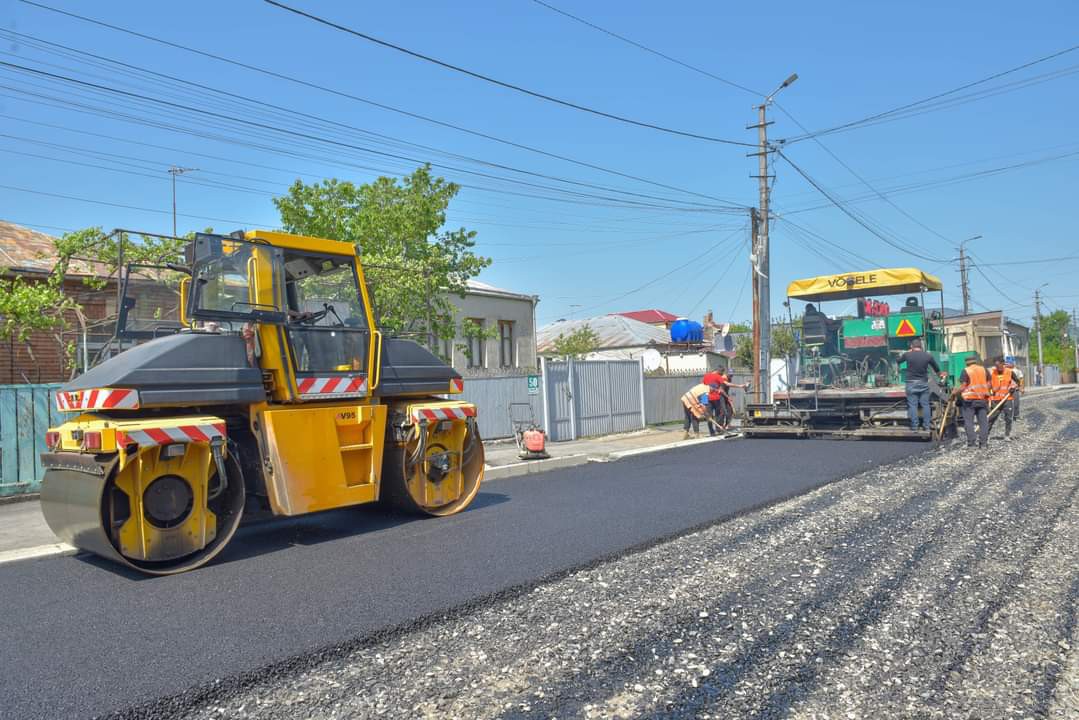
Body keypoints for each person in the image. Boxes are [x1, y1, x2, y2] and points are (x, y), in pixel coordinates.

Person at [898, 338, 946, 432]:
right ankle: (927, 427)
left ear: (912, 346)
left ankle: (915, 427)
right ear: (921, 347)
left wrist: (907, 352)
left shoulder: (908, 354)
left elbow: (898, 361)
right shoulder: (927, 356)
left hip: (911, 383)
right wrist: (940, 375)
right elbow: (937, 369)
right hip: (923, 383)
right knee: (925, 405)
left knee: (913, 405)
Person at [956, 354, 991, 449]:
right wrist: (984, 391)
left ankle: (971, 444)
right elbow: (989, 383)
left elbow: (963, 386)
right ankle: (983, 444)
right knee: (983, 423)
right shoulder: (983, 369)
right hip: (982, 399)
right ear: (975, 361)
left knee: (969, 422)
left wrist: (955, 392)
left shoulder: (966, 371)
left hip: (969, 401)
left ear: (966, 363)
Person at [990, 355, 1019, 439]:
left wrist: (1013, 387)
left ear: (1003, 364)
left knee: (1008, 418)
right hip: (996, 399)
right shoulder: (992, 373)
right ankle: (986, 435)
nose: (997, 367)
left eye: (999, 365)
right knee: (992, 417)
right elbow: (989, 385)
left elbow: (1017, 382)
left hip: (1007, 399)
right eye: (996, 366)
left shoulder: (1009, 372)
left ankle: (1007, 434)